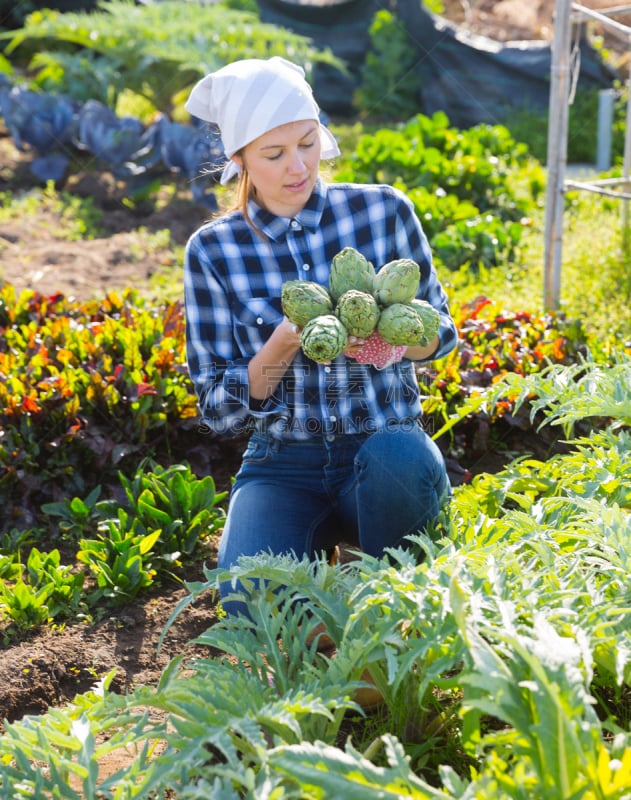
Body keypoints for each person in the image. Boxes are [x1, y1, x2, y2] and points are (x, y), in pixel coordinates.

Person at [183, 57, 458, 618]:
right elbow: (218, 410)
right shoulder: (214, 251)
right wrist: (282, 343)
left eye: (307, 143)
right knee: (249, 601)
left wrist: (392, 341)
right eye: (274, 154)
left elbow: (443, 335)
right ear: (239, 160)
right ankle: (343, 601)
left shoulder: (383, 211)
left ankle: (376, 594)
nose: (298, 167)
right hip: (285, 461)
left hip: (382, 449)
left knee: (399, 459)